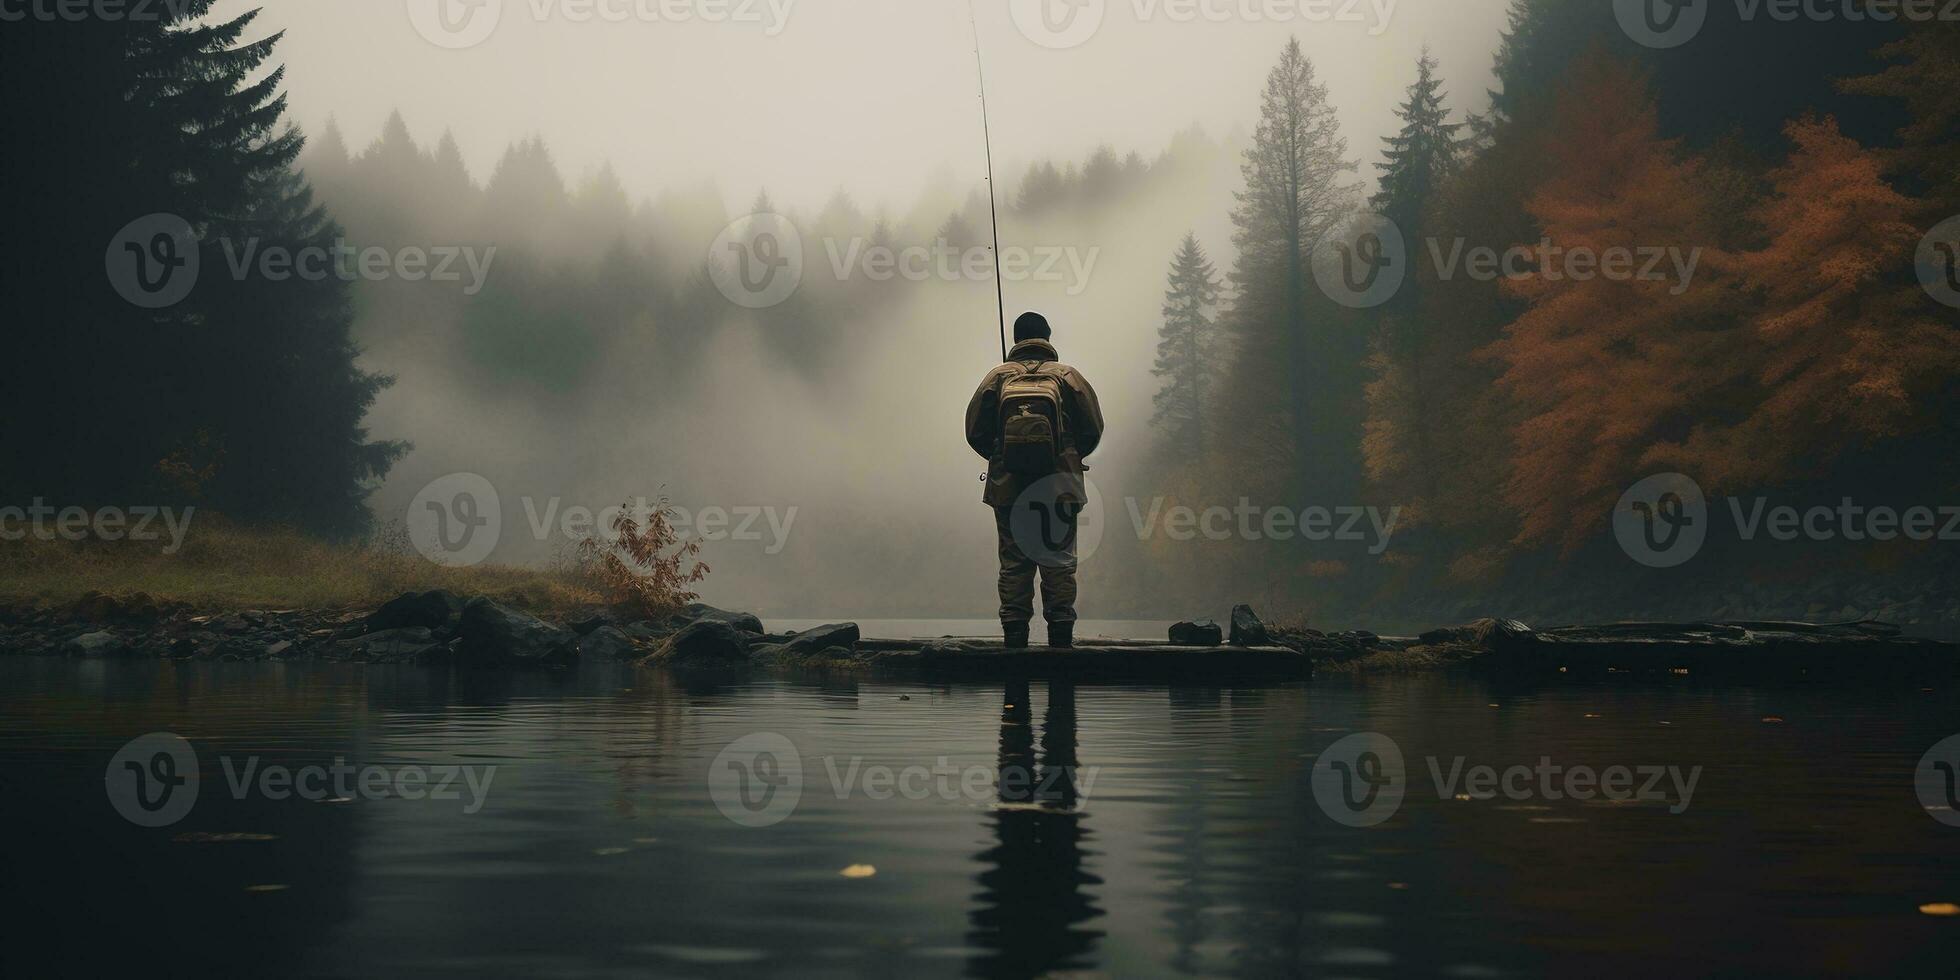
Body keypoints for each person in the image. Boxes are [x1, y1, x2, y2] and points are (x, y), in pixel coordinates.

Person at [964, 311, 1105, 649]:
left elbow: (974, 432)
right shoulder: (1068, 376)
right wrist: (1068, 456)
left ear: (1016, 339)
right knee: (1057, 560)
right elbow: (1093, 428)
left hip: (1007, 486)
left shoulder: (997, 377)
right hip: (1059, 487)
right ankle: (1060, 639)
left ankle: (1015, 639)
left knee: (1014, 563)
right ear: (1047, 337)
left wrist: (1002, 457)